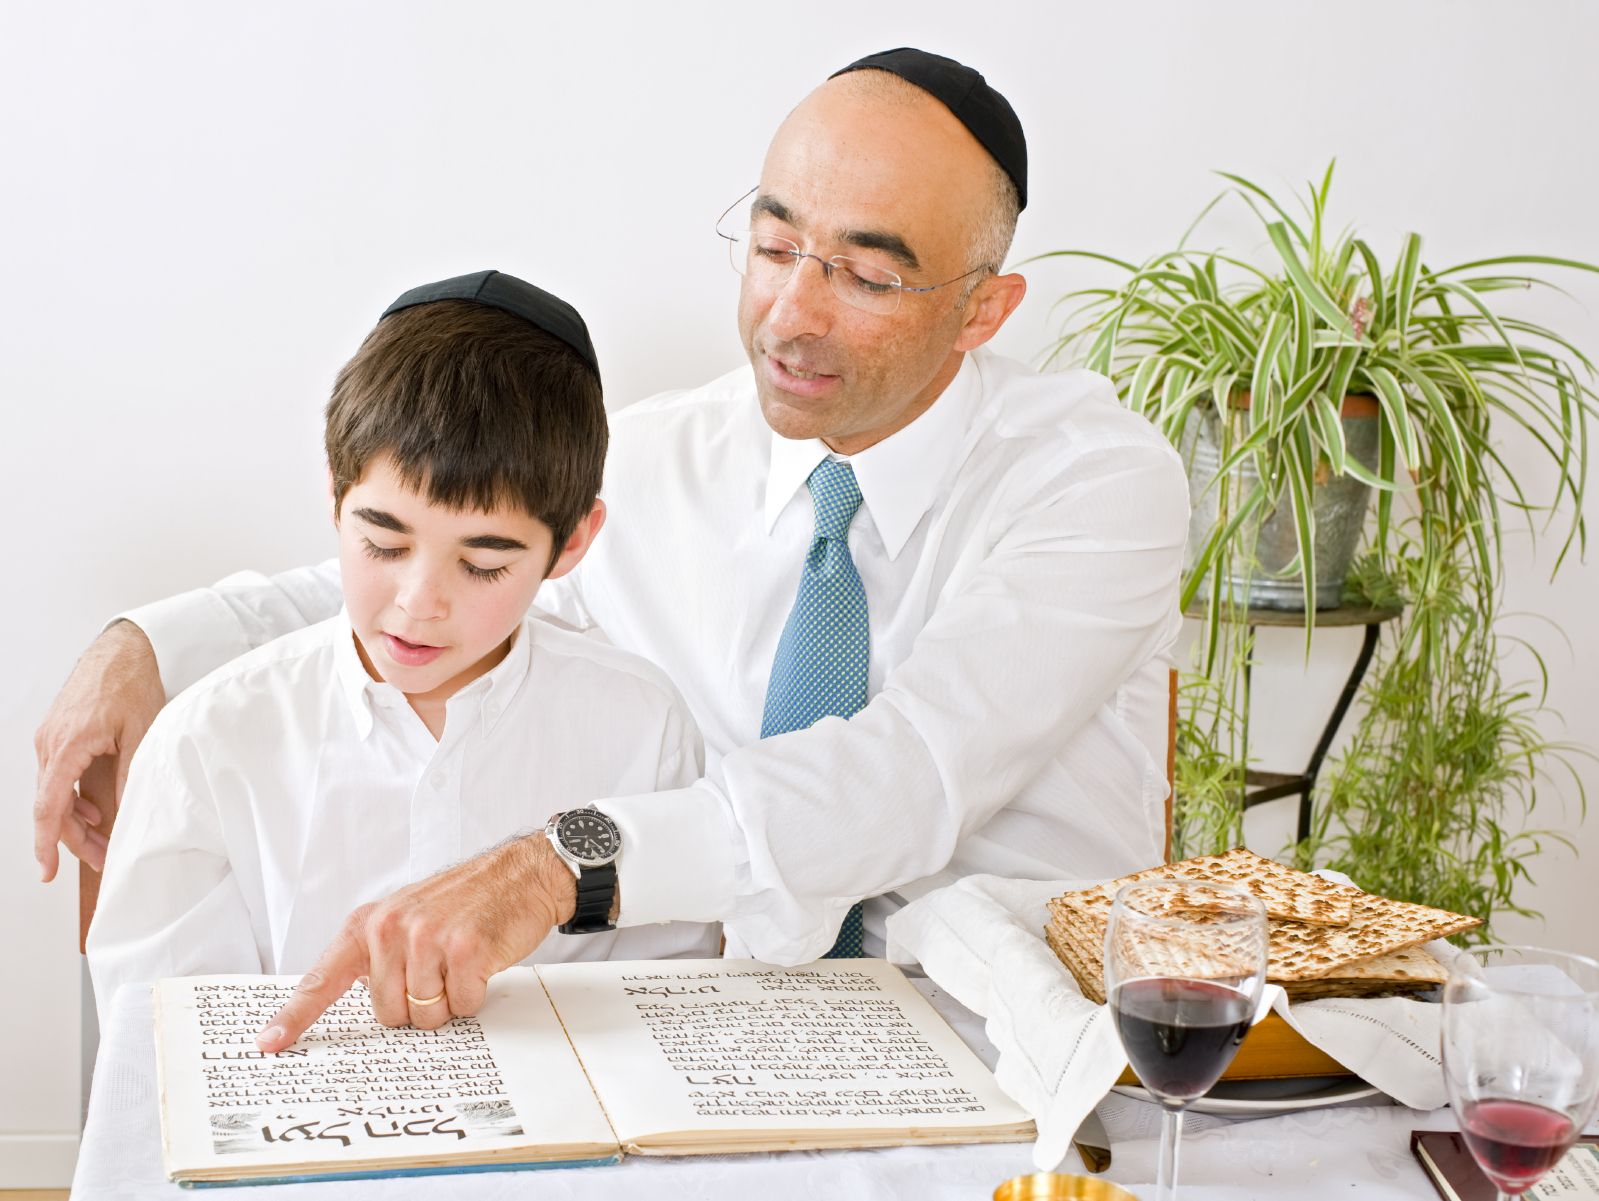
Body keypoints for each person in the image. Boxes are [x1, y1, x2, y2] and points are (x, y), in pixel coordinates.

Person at [37, 49, 1190, 1049]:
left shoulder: (1093, 482)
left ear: (983, 310)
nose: (792, 314)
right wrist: (147, 644)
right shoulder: (658, 460)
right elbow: (437, 568)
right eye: (775, 243)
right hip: (722, 1029)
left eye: (869, 275)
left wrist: (558, 863)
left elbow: (907, 771)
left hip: (1005, 1031)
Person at [85, 271, 720, 1023]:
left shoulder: (643, 726)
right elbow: (164, 1045)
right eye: (383, 542)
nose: (419, 603)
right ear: (333, 498)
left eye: (483, 563)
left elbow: (668, 1015)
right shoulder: (209, 743)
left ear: (573, 543)